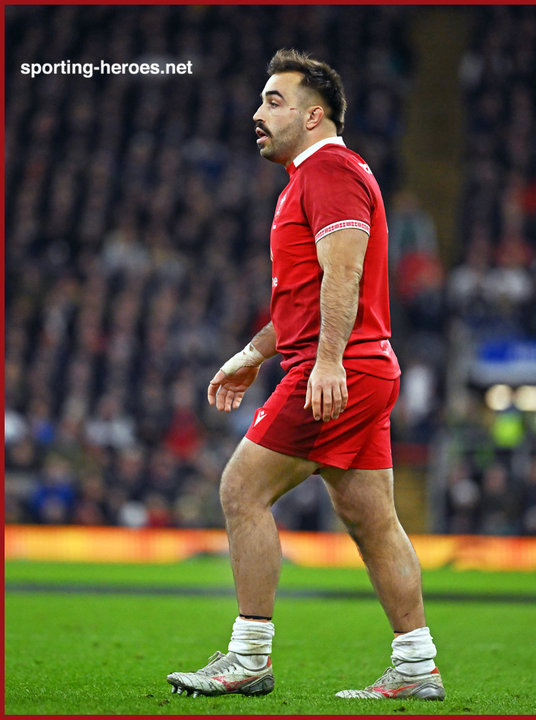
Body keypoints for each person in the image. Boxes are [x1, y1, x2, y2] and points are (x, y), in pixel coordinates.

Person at [167, 49, 445, 702]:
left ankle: (248, 657)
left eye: (274, 101)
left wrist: (325, 361)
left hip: (339, 368)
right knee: (372, 519)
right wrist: (251, 354)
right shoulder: (313, 177)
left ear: (313, 115)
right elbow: (306, 297)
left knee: (241, 490)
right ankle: (416, 664)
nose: (258, 113)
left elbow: (344, 273)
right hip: (360, 365)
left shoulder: (329, 171)